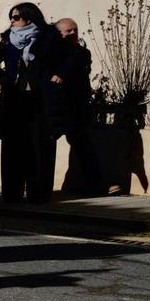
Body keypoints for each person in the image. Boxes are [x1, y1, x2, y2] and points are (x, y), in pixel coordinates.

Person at [0, 2, 69, 203]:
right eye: (11, 17)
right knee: (14, 148)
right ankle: (12, 193)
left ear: (29, 18)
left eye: (17, 17)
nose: (12, 21)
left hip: (41, 102)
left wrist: (58, 75)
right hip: (14, 102)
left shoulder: (48, 37)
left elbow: (71, 57)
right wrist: (6, 79)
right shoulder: (8, 41)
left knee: (40, 146)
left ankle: (38, 194)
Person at [52, 18, 105, 195]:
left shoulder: (82, 53)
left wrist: (61, 73)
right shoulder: (49, 54)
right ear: (57, 34)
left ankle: (96, 186)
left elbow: (77, 63)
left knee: (84, 147)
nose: (73, 33)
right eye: (68, 31)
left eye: (75, 30)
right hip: (54, 107)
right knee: (43, 146)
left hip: (76, 108)